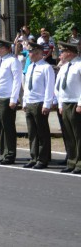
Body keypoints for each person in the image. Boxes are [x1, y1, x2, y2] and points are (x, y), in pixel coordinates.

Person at [21, 42, 55, 169]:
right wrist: (24, 101)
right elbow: (26, 87)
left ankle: (43, 158)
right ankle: (34, 157)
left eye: (30, 52)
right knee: (32, 133)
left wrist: (47, 104)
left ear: (38, 53)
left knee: (42, 133)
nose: (28, 54)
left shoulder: (46, 68)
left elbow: (49, 87)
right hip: (30, 102)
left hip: (40, 103)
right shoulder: (30, 67)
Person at [0, 38, 23, 165]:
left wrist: (14, 99)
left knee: (8, 128)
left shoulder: (13, 61)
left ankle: (10, 154)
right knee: (0, 128)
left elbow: (17, 81)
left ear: (4, 48)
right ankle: (3, 153)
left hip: (6, 98)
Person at [54, 42, 81, 174]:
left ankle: (80, 163)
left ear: (69, 52)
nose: (61, 54)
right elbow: (59, 88)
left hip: (75, 103)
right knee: (68, 134)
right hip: (65, 103)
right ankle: (71, 161)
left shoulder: (79, 65)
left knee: (78, 135)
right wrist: (60, 104)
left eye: (62, 52)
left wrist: (80, 103)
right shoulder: (64, 67)